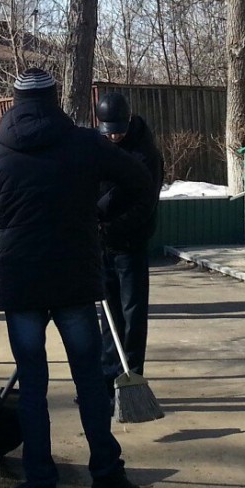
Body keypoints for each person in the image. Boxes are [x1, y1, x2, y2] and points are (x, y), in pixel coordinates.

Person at [0, 67, 153, 488]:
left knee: (34, 386)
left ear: (14, 100)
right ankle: (106, 478)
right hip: (75, 279)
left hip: (22, 283)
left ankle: (40, 486)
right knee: (89, 382)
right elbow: (138, 182)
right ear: (56, 98)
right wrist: (97, 216)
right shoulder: (84, 143)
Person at [94, 93, 164, 395]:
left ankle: (132, 376)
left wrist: (112, 227)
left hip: (131, 243)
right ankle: (108, 376)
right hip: (102, 245)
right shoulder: (98, 148)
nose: (113, 135)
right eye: (108, 130)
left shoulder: (146, 154)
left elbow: (144, 205)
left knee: (133, 314)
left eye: (118, 129)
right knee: (108, 316)